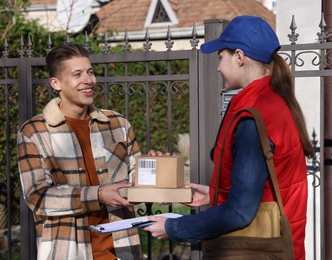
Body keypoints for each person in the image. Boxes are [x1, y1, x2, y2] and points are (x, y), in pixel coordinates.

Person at [144, 16, 313, 260]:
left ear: (239, 57)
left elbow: (240, 211)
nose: (218, 67)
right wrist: (215, 193)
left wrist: (175, 228)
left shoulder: (253, 117)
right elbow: (261, 185)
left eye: (221, 57)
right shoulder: (274, 102)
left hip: (253, 250)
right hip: (278, 246)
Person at [17, 43, 142, 260]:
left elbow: (137, 183)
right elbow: (38, 197)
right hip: (67, 251)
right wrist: (98, 194)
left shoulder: (117, 124)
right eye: (77, 74)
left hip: (121, 250)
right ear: (56, 83)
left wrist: (158, 171)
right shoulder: (34, 132)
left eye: (90, 72)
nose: (88, 80)